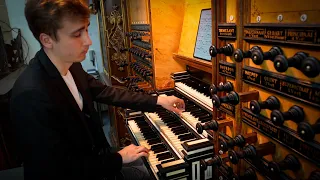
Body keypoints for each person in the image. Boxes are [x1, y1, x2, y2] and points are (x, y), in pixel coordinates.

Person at [10, 0, 185, 180]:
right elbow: (55, 170)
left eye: (86, 29)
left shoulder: (72, 66)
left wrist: (157, 100)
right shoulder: (30, 96)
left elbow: (105, 92)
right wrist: (118, 158)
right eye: (77, 34)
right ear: (47, 40)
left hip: (95, 158)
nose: (88, 41)